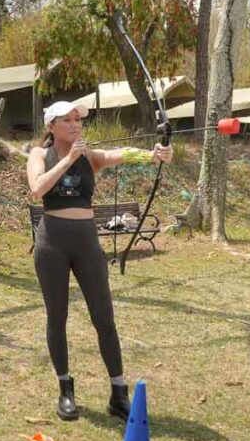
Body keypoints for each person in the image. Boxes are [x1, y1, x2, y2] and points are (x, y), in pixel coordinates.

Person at [26, 101, 173, 422]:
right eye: (67, 120)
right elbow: (37, 189)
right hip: (52, 243)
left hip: (86, 243)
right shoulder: (41, 155)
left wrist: (154, 154)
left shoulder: (89, 155)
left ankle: (118, 393)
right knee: (57, 316)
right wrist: (68, 159)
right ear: (51, 126)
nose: (76, 124)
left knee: (104, 317)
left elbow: (118, 154)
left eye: (78, 119)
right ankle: (65, 389)